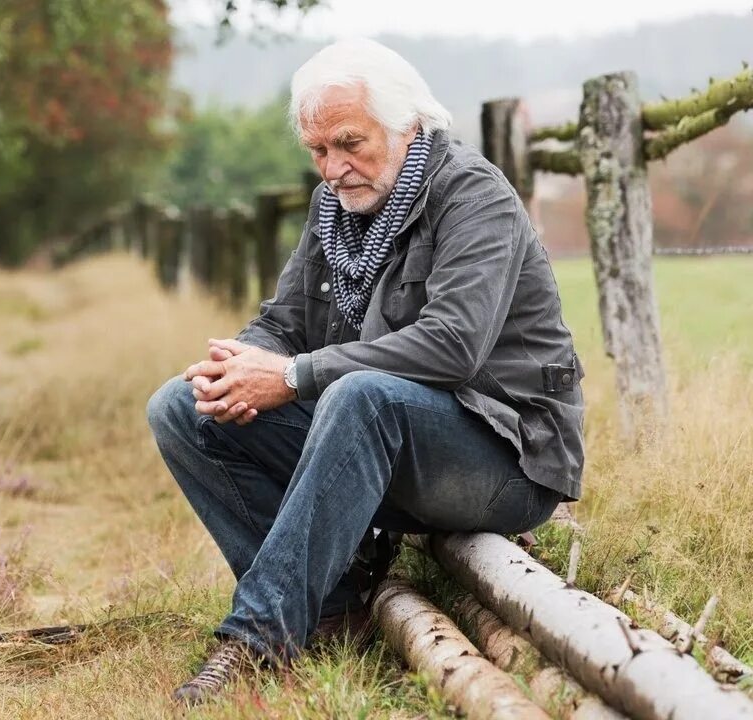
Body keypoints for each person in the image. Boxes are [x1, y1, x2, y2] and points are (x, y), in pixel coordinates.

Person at [145, 37, 585, 706]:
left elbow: (452, 346)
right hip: (393, 448)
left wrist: (292, 377)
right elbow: (282, 324)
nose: (333, 167)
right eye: (319, 151)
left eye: (350, 143)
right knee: (180, 408)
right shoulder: (336, 211)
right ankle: (335, 608)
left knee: (360, 396)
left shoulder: (472, 195)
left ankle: (257, 638)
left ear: (408, 123)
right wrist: (233, 367)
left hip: (506, 457)